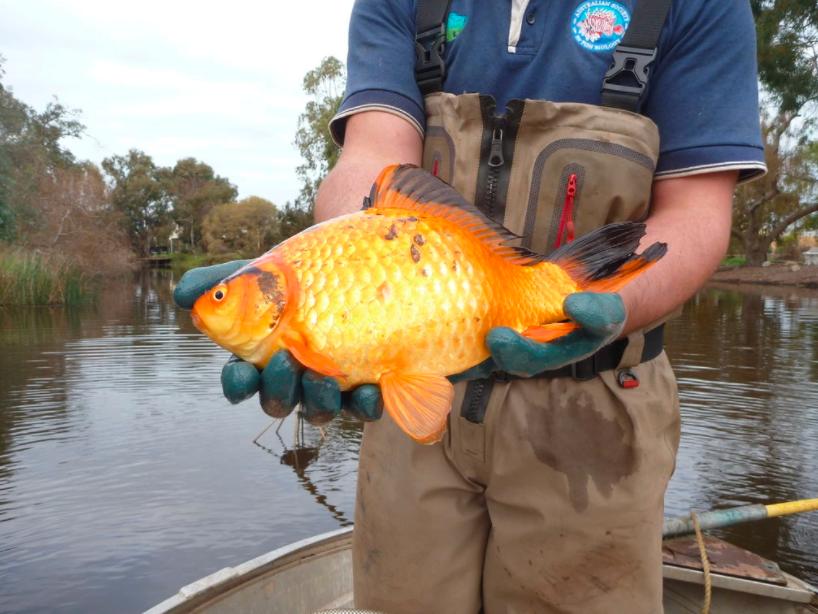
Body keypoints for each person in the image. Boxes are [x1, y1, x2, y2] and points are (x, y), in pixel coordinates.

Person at [175, 0, 765, 611]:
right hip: (413, 402)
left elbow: (695, 214)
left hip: (600, 412)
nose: (214, 307)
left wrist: (601, 307)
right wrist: (343, 258)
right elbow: (371, 159)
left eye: (223, 299)